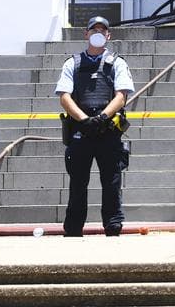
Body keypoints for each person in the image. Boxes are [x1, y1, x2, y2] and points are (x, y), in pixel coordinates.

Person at [55, 16, 134, 237]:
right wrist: (83, 120)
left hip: (107, 130)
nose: (98, 33)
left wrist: (102, 118)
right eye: (94, 29)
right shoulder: (73, 63)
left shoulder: (117, 63)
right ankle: (73, 228)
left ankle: (113, 225)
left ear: (109, 35)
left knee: (111, 181)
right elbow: (64, 96)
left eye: (103, 30)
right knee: (78, 183)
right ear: (86, 34)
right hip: (81, 131)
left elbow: (121, 95)